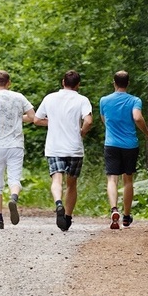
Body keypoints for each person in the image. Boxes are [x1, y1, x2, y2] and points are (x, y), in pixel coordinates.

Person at [34, 70, 93, 231]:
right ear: (78, 85)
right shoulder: (82, 100)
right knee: (71, 184)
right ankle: (67, 217)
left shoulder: (50, 98)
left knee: (56, 179)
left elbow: (36, 120)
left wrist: (52, 122)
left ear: (63, 82)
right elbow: (88, 121)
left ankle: (58, 202)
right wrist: (82, 132)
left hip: (54, 147)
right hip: (74, 148)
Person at [99, 70, 148, 229]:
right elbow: (137, 117)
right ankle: (126, 216)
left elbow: (104, 120)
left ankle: (114, 209)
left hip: (111, 144)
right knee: (128, 179)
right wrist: (147, 132)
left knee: (112, 178)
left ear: (114, 83)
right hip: (130, 145)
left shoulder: (104, 100)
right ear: (128, 83)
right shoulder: (134, 100)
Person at [0, 70, 35, 229]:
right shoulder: (19, 97)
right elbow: (33, 117)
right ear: (9, 82)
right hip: (16, 144)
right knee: (14, 179)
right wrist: (18, 118)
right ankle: (14, 197)